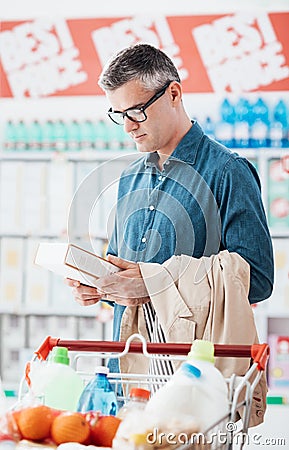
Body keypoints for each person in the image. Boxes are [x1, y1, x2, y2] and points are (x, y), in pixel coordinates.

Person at [67, 43, 274, 375]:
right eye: (119, 115)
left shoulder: (228, 172)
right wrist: (102, 287)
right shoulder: (129, 178)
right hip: (132, 372)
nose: (128, 126)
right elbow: (128, 279)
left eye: (136, 111)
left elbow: (259, 279)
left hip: (197, 376)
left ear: (174, 94)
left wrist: (155, 282)